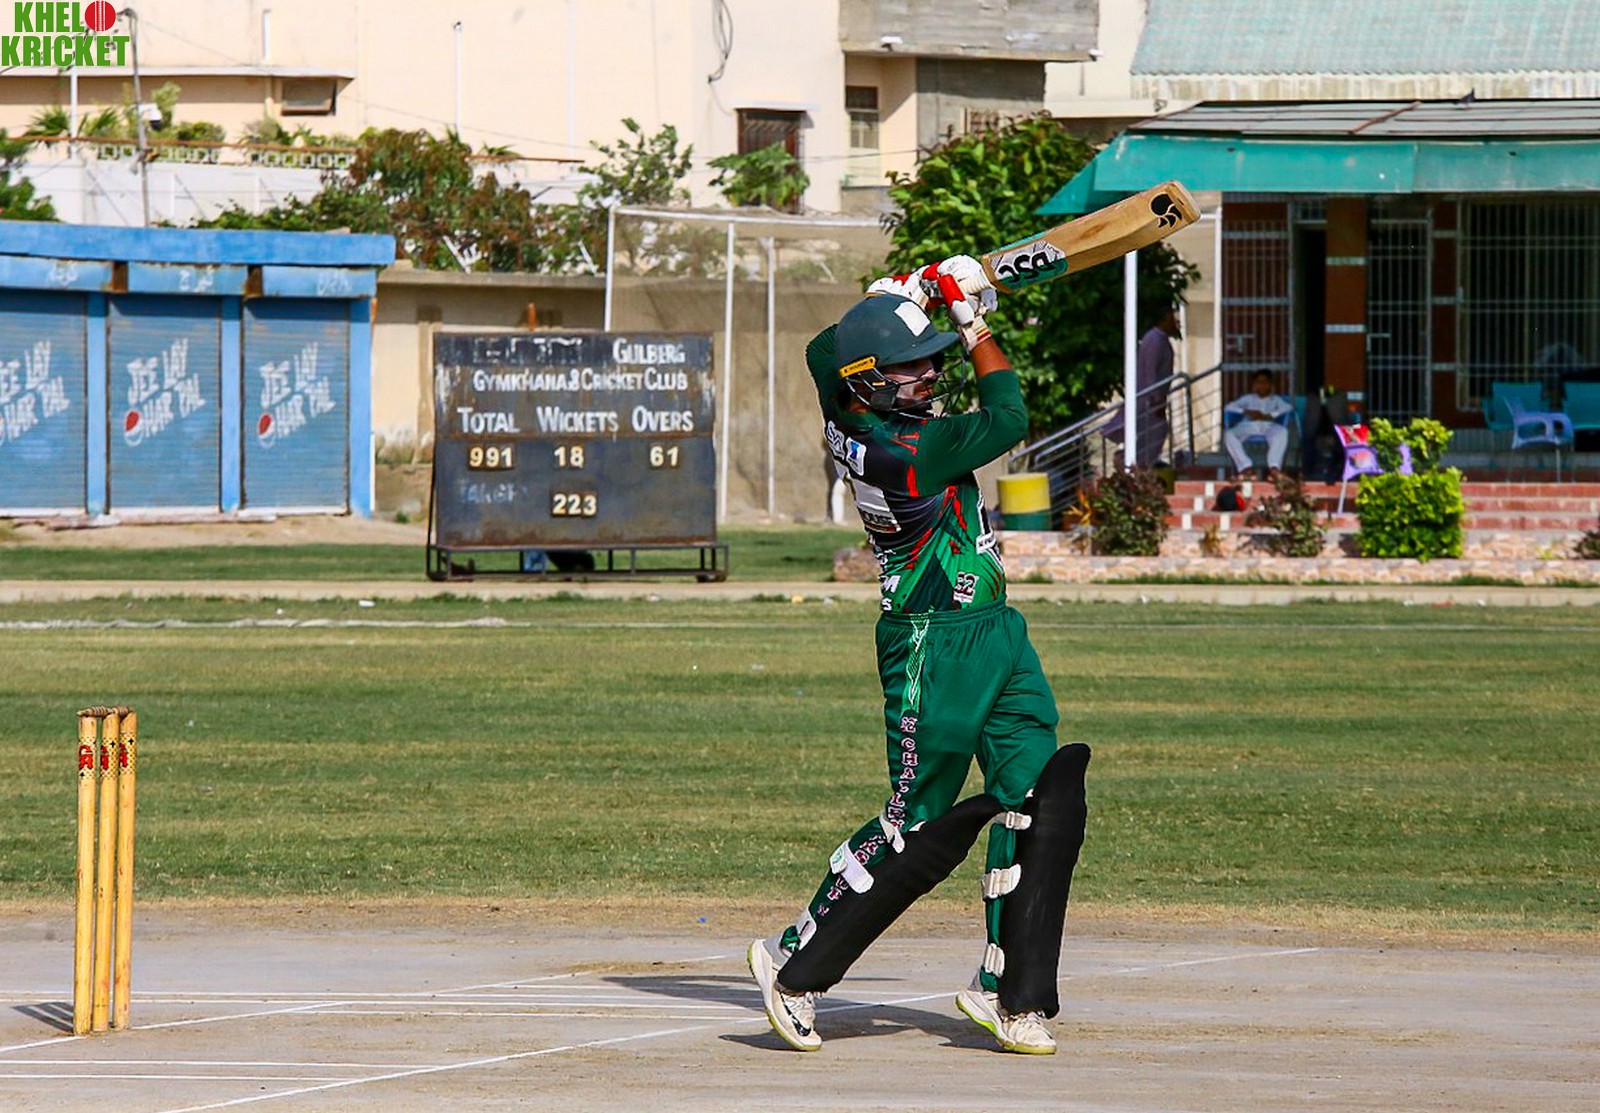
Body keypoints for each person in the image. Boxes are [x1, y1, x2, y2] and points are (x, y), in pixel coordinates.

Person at [747, 257, 1090, 1057]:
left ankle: (1010, 991)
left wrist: (903, 293)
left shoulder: (842, 403)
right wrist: (971, 321)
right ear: (867, 383)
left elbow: (821, 351)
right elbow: (1008, 415)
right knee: (918, 824)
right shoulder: (910, 450)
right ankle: (794, 963)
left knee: (1041, 797)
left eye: (933, 358)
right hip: (932, 643)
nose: (930, 373)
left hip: (995, 630)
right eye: (911, 366)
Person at [1104, 308, 1180, 468]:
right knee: (1156, 432)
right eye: (1172, 317)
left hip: (1150, 399)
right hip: (1147, 400)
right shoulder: (1154, 340)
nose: (1176, 321)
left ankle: (1135, 464)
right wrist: (1157, 400)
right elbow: (1150, 373)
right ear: (1164, 318)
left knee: (1153, 434)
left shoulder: (1160, 340)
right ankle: (1131, 463)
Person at [1222, 370, 1294, 478]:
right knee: (1229, 434)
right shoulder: (1248, 398)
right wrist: (1247, 411)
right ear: (1254, 385)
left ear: (1271, 384)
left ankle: (1274, 468)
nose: (1262, 385)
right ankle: (1246, 468)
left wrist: (1270, 415)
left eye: (1265, 382)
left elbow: (1288, 407)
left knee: (1282, 431)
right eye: (1259, 382)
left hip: (1268, 426)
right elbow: (1229, 407)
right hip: (1250, 426)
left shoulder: (1275, 399)